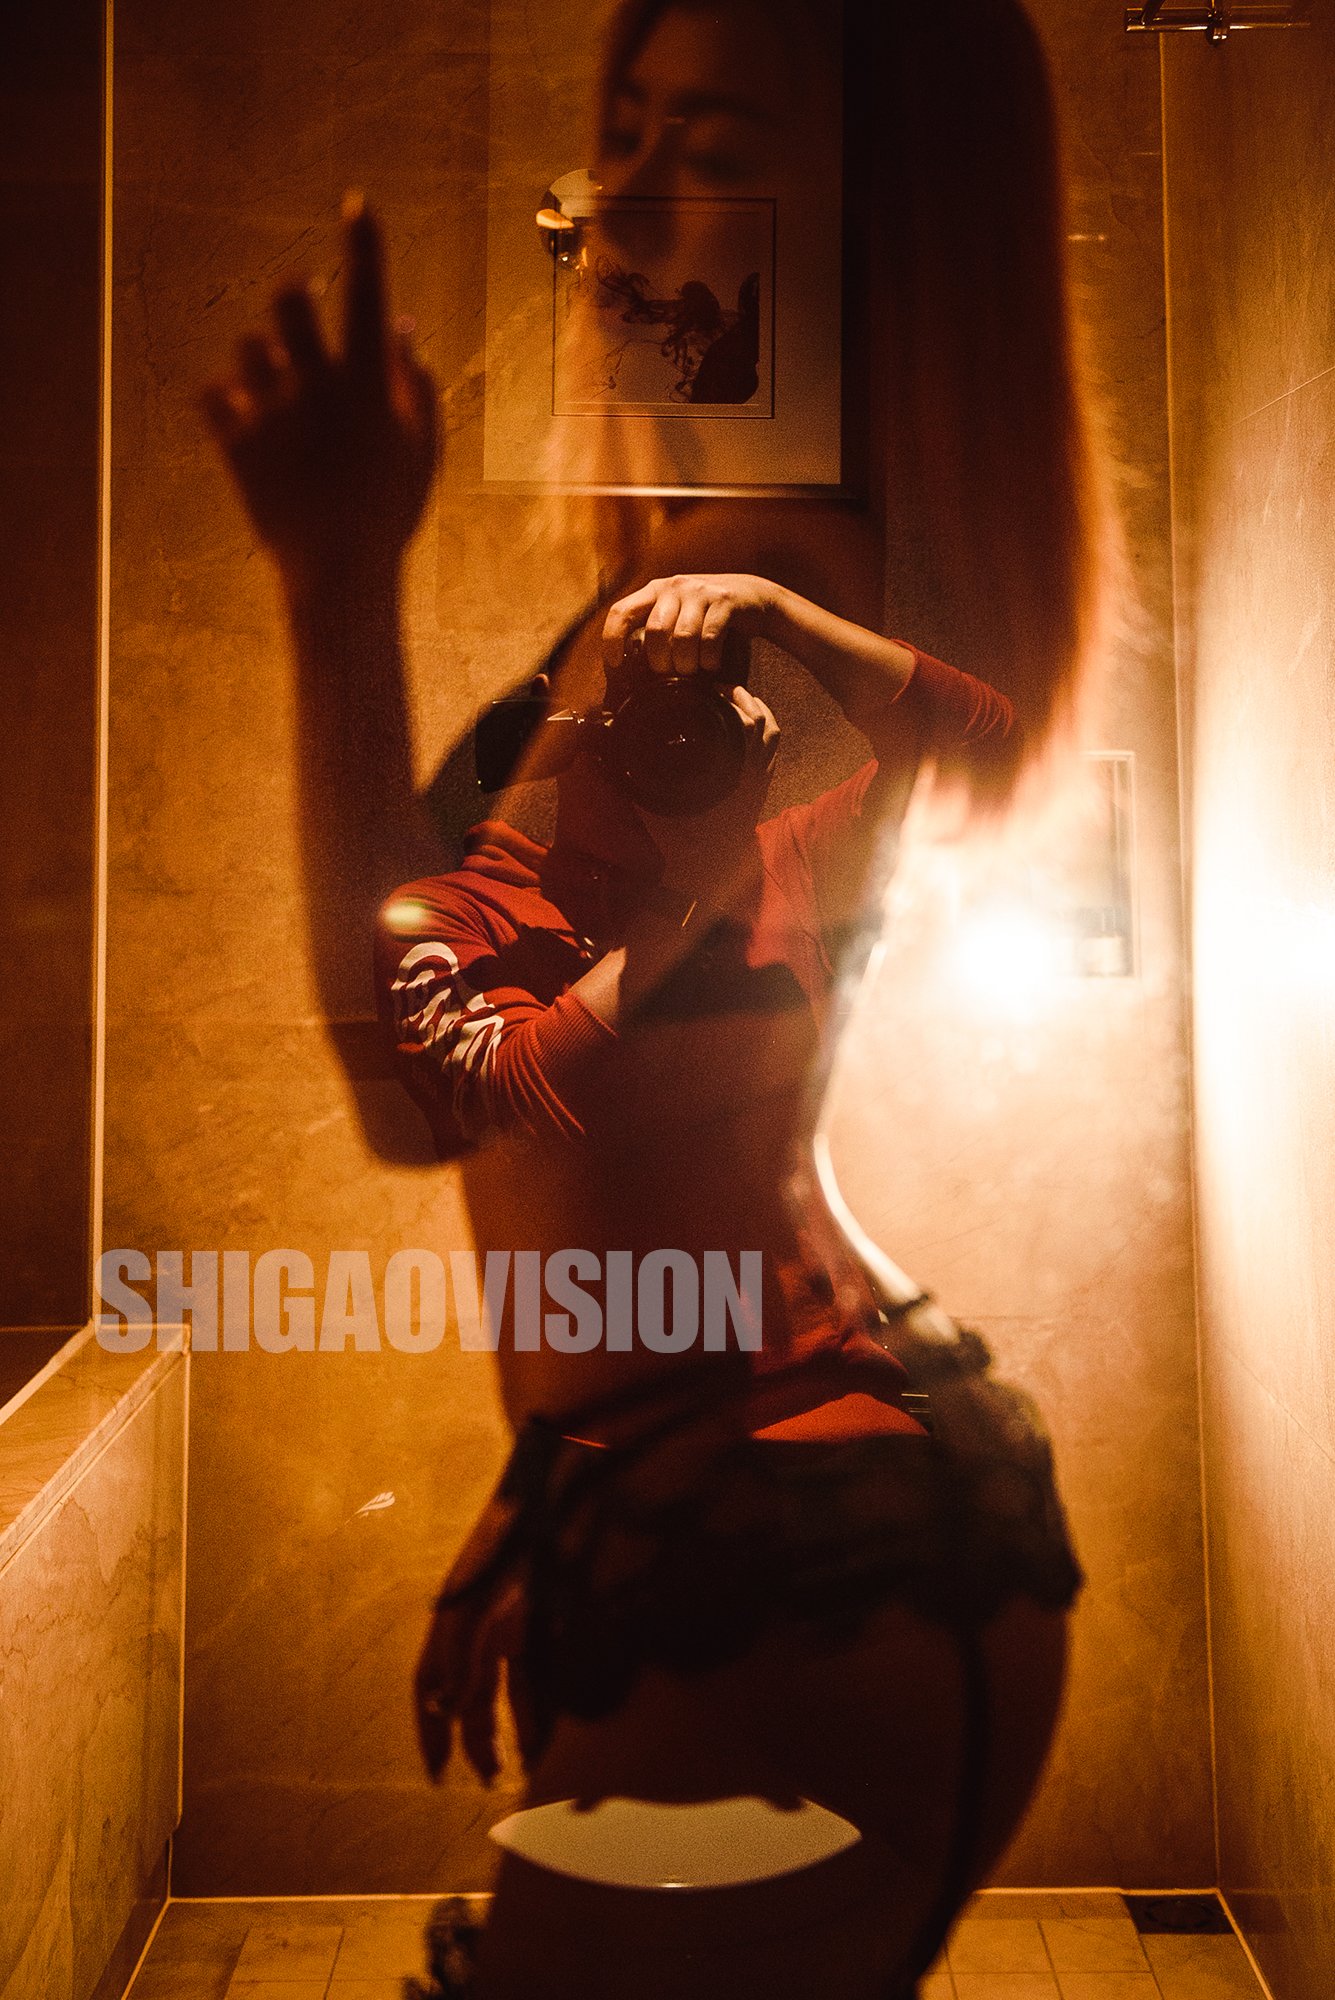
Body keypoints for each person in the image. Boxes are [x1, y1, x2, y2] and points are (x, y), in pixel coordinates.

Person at [202, 3, 1108, 1991]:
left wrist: (336, 572)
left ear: (875, 236)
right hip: (790, 1485)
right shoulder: (775, 569)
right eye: (616, 136)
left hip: (788, 1541)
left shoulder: (740, 607)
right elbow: (673, 1118)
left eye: (704, 150)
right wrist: (576, 1463)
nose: (609, 209)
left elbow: (427, 1083)